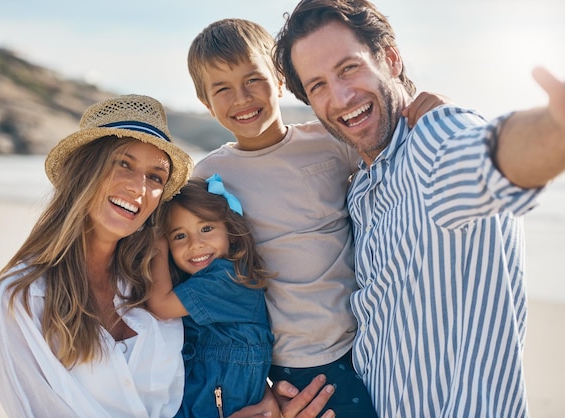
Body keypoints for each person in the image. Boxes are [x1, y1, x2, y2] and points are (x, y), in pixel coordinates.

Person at [271, 0, 565, 417]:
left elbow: (490, 154)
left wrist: (555, 131)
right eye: (317, 85)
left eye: (348, 68)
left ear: (390, 59)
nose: (340, 96)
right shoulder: (360, 190)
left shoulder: (435, 137)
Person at [187, 18, 447, 417]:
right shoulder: (210, 176)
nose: (241, 98)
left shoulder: (328, 141)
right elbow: (190, 255)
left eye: (253, 79)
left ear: (278, 80)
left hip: (370, 338)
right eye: (222, 89)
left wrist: (432, 109)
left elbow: (393, 149)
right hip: (294, 356)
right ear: (206, 103)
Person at [0, 94, 194, 417]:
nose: (139, 188)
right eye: (123, 163)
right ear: (85, 170)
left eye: (155, 177)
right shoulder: (23, 298)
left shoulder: (157, 280)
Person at [147, 175, 275, 418]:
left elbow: (160, 306)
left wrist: (157, 243)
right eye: (179, 236)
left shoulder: (229, 279)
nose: (196, 244)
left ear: (230, 230)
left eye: (206, 228)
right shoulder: (195, 284)